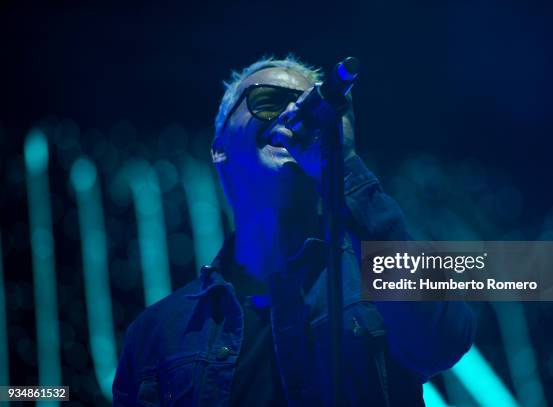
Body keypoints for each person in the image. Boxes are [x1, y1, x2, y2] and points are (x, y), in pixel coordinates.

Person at [112, 55, 475, 406]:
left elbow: (443, 338)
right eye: (266, 101)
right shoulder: (157, 333)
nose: (290, 115)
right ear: (220, 148)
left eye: (307, 107)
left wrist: (342, 163)